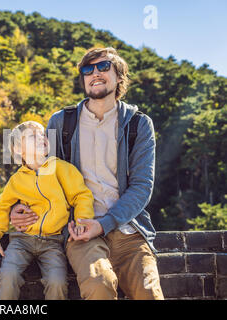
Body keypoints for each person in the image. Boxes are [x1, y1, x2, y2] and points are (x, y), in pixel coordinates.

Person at [9, 47, 165, 300]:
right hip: (80, 231)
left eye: (104, 67)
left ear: (119, 77)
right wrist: (18, 206)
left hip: (128, 231)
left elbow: (141, 186)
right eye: (87, 69)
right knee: (98, 286)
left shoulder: (138, 124)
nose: (95, 73)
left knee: (149, 293)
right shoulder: (62, 122)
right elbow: (38, 172)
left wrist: (104, 225)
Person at [0, 120, 94, 300]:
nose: (41, 138)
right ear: (17, 149)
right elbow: (1, 207)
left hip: (53, 241)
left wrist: (82, 222)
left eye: (43, 134)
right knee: (8, 276)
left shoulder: (61, 168)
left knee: (57, 282)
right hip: (21, 241)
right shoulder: (17, 180)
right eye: (33, 136)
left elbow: (81, 196)